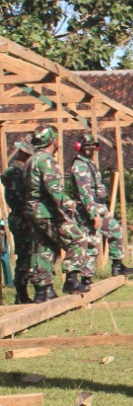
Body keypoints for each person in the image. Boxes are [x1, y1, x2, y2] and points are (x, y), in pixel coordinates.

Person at [23, 124, 93, 300]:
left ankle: (43, 290)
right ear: (53, 140)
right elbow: (53, 188)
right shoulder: (46, 160)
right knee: (77, 238)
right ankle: (71, 279)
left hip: (33, 210)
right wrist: (69, 203)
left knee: (44, 247)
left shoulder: (30, 160)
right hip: (47, 210)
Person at [67, 134, 133, 277]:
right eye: (88, 146)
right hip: (88, 210)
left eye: (94, 146)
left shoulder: (89, 164)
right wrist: (93, 215)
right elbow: (85, 193)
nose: (92, 149)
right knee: (91, 243)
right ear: (80, 147)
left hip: (98, 207)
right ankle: (86, 277)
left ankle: (117, 266)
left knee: (115, 230)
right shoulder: (79, 166)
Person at [2, 141, 34, 303]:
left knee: (32, 255)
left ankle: (29, 292)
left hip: (28, 218)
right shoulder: (13, 172)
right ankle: (21, 294)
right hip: (22, 219)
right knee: (25, 256)